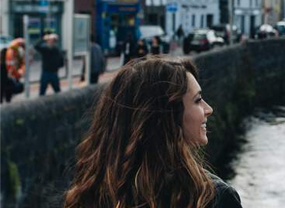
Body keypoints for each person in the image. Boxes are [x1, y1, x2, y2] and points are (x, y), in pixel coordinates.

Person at [63, 57, 243, 208]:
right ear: (167, 115)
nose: (208, 109)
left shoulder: (92, 192)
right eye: (198, 100)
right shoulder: (214, 198)